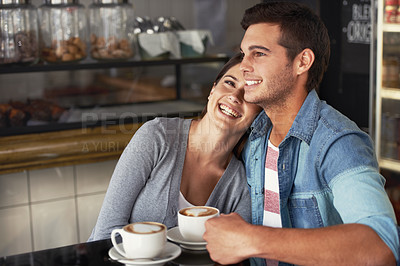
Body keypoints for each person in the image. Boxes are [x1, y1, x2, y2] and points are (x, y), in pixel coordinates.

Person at [203, 2, 399, 265]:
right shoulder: (256, 135)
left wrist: (250, 239)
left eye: (258, 54)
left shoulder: (337, 141)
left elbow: (381, 246)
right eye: (243, 53)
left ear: (302, 62)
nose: (244, 65)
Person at [88, 53, 262, 241]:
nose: (235, 97)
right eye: (229, 83)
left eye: (248, 94)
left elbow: (236, 252)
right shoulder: (157, 136)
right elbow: (106, 234)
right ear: (212, 90)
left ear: (260, 113)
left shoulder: (240, 185)